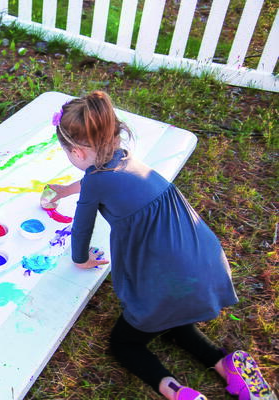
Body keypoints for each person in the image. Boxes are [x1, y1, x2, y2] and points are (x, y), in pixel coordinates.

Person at [49, 91, 277, 400]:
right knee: (171, 319)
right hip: (203, 261)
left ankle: (177, 391)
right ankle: (225, 364)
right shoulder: (124, 157)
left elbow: (82, 227)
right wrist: (67, 190)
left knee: (125, 343)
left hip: (169, 281)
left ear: (75, 153)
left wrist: (81, 259)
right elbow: (95, 178)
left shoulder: (95, 181)